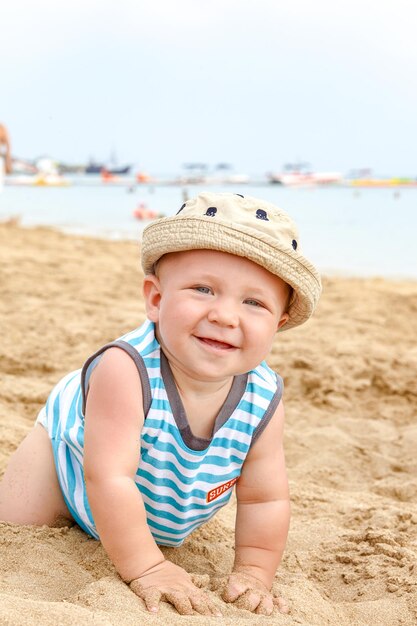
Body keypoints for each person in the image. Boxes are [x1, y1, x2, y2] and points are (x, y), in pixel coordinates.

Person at [0, 192, 321, 616]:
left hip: (156, 492)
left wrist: (254, 571)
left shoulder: (263, 398)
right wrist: (149, 568)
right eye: (203, 289)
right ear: (155, 299)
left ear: (278, 323)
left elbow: (266, 499)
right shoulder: (125, 369)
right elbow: (109, 477)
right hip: (70, 466)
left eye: (254, 302)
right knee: (13, 521)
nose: (225, 315)